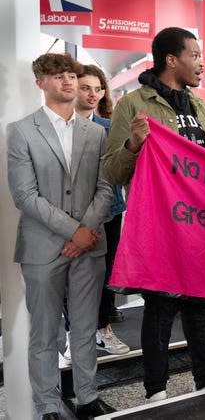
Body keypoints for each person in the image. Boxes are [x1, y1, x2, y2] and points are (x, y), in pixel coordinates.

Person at [103, 27, 205, 403]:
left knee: (198, 308)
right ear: (171, 60)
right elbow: (113, 171)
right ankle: (155, 391)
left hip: (202, 228)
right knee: (159, 310)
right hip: (160, 228)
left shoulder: (201, 107)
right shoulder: (133, 104)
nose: (202, 63)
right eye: (195, 55)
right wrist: (134, 143)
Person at [7, 52, 116, 419]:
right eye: (58, 76)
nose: (68, 81)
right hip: (42, 246)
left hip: (89, 248)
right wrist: (77, 231)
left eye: (71, 74)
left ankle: (87, 398)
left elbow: (105, 188)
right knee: (44, 332)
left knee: (85, 329)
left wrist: (86, 231)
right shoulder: (21, 130)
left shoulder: (97, 132)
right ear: (41, 83)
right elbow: (24, 195)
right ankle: (48, 406)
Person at [73, 64, 130, 357]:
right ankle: (75, 334)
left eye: (98, 88)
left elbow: (117, 171)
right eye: (86, 87)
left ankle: (103, 328)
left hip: (109, 211)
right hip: (73, 216)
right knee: (75, 276)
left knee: (107, 273)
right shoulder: (63, 129)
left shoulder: (109, 127)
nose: (93, 94)